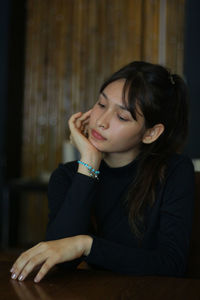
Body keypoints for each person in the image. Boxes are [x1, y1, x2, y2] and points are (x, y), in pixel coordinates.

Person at [10, 61, 195, 283]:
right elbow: (60, 259)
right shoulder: (68, 176)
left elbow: (172, 264)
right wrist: (89, 161)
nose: (101, 122)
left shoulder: (174, 171)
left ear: (151, 133)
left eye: (122, 117)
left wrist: (86, 245)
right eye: (101, 104)